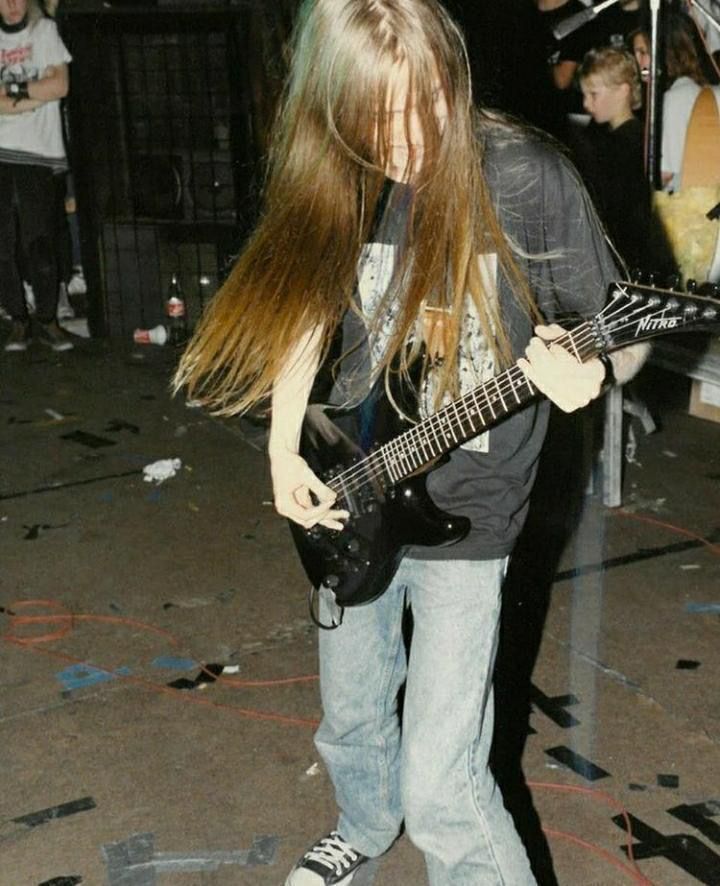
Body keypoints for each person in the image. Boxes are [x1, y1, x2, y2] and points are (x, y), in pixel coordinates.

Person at [175, 1, 647, 883]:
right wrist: (283, 451)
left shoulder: (526, 175)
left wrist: (595, 370)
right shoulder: (339, 174)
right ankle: (361, 821)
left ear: (451, 77)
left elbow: (624, 330)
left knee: (444, 781)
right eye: (372, 121)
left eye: (421, 109)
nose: (403, 144)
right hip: (350, 477)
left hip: (471, 517)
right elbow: (306, 318)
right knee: (350, 717)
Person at [0, 0, 73, 352]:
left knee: (39, 239)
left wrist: (12, 94)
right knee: (2, 242)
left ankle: (47, 318)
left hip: (39, 153)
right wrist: (34, 92)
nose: (12, 5)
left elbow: (59, 86)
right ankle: (17, 319)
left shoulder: (44, 32)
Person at [574, 47, 652, 269]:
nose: (586, 104)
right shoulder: (611, 138)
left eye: (593, 94)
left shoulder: (627, 143)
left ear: (622, 91)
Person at [661, 10, 720, 192]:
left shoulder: (676, 97)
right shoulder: (712, 90)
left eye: (643, 51)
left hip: (688, 205)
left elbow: (666, 173)